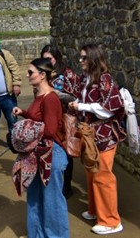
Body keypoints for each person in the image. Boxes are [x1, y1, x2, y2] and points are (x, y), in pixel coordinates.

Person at [68, 44, 125, 235]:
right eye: (80, 58)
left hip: (105, 136)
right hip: (89, 135)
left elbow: (110, 108)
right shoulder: (85, 79)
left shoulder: (105, 79)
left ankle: (111, 221)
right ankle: (96, 211)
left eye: (84, 58)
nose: (80, 61)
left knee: (103, 176)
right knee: (91, 172)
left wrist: (83, 107)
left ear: (93, 58)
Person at [12, 58, 69, 238]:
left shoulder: (51, 98)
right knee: (35, 197)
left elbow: (51, 130)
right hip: (38, 154)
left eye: (30, 72)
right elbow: (39, 119)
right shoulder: (40, 96)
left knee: (52, 201)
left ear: (42, 75)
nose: (27, 76)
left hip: (51, 155)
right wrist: (24, 113)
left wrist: (25, 131)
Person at [40, 44, 80, 199]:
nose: (47, 62)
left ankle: (66, 187)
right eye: (44, 59)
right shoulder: (45, 73)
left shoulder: (67, 74)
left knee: (66, 152)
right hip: (50, 118)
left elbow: (73, 96)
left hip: (64, 119)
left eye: (49, 59)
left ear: (56, 58)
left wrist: (53, 94)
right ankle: (54, 184)